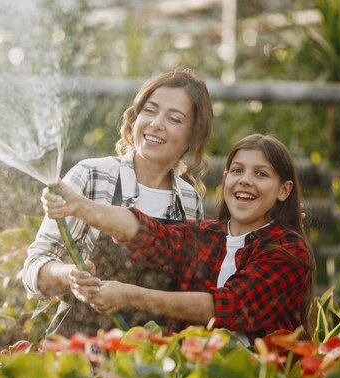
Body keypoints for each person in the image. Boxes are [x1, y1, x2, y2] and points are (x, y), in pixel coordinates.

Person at [42, 134, 316, 343]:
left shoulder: (289, 250)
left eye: (261, 174)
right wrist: (78, 205)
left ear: (284, 190)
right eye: (237, 170)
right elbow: (145, 233)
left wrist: (129, 296)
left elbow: (224, 307)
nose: (245, 180)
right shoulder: (207, 236)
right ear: (225, 178)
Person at [21, 69, 214, 335]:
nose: (156, 123)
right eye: (150, 110)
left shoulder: (189, 201)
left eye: (174, 118)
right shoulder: (92, 175)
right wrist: (69, 276)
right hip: (81, 348)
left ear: (192, 136)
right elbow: (34, 268)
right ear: (135, 119)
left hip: (154, 355)